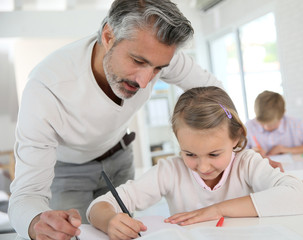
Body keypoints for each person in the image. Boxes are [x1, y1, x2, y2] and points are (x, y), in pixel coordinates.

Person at [8, 1, 225, 239]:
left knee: (123, 231)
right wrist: (35, 222)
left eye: (157, 69)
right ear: (108, 35)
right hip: (68, 171)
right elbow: (26, 194)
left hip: (120, 157)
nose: (145, 82)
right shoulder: (46, 89)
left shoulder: (158, 54)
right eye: (138, 62)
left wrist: (239, 148)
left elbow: (216, 95)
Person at [86, 86, 303, 239]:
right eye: (190, 154)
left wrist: (216, 210)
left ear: (237, 138)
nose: (203, 167)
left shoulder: (248, 164)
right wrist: (109, 222)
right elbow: (98, 206)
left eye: (214, 154)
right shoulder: (170, 171)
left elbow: (299, 197)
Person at [246, 90, 303, 157]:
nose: (266, 127)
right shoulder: (249, 127)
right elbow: (236, 155)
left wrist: (287, 150)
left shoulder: (295, 125)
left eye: (271, 124)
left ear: (283, 114)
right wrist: (251, 153)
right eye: (262, 123)